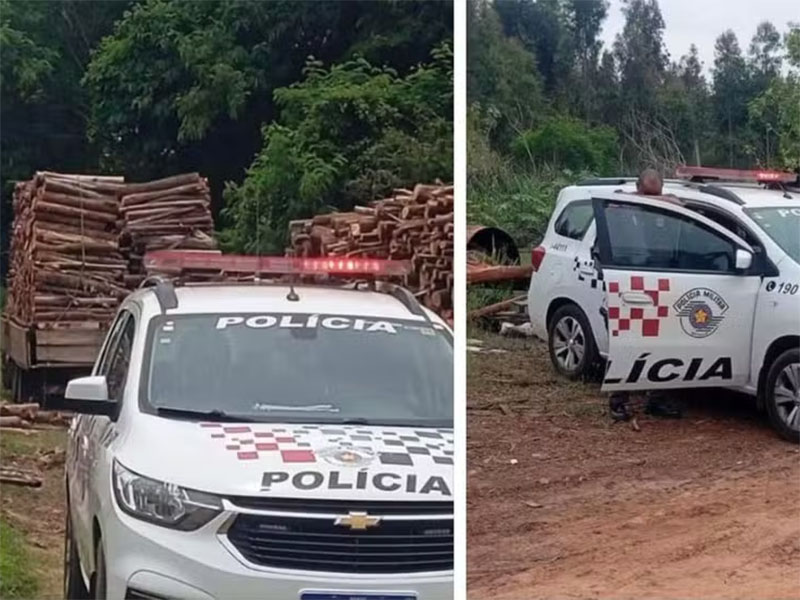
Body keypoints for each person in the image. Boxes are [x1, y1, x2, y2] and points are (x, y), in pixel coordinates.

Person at [608, 168, 682, 422]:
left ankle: (658, 399)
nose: (653, 198)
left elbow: (677, 203)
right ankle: (619, 401)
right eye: (647, 193)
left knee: (664, 344)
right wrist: (649, 201)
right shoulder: (621, 206)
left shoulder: (667, 208)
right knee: (629, 342)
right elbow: (613, 200)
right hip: (631, 281)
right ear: (637, 188)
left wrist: (658, 202)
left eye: (657, 193)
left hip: (665, 281)